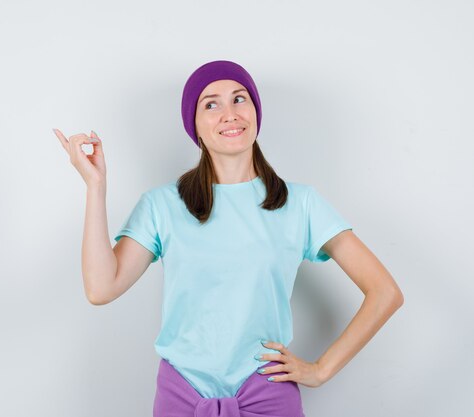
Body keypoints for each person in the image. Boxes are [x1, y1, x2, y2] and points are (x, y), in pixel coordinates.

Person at [53, 60, 404, 417]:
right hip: (181, 398)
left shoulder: (301, 204)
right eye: (211, 104)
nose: (229, 113)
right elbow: (101, 288)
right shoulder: (163, 205)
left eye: (240, 99)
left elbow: (385, 292)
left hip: (268, 396)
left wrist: (320, 370)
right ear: (195, 127)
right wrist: (96, 187)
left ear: (255, 112)